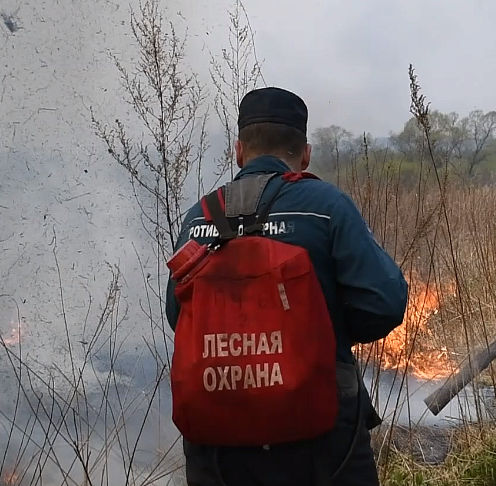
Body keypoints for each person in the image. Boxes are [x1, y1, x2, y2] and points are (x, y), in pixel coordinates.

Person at [164, 86, 409, 486]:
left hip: (219, 445)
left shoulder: (199, 217)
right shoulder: (326, 206)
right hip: (320, 439)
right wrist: (325, 333)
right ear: (306, 152)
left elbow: (179, 315)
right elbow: (384, 302)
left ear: (239, 151)